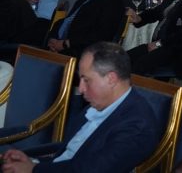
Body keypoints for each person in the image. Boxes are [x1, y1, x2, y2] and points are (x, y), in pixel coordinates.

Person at [0, 42, 159, 172]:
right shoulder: (99, 104)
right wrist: (31, 161)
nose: (81, 89)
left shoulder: (137, 125)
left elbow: (91, 170)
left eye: (86, 80)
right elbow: (68, 152)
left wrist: (34, 169)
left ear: (111, 79)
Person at [46, 0, 125, 58]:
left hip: (83, 52)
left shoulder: (112, 1)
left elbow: (101, 34)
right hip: (62, 45)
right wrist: (52, 39)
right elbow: (67, 21)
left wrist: (65, 44)